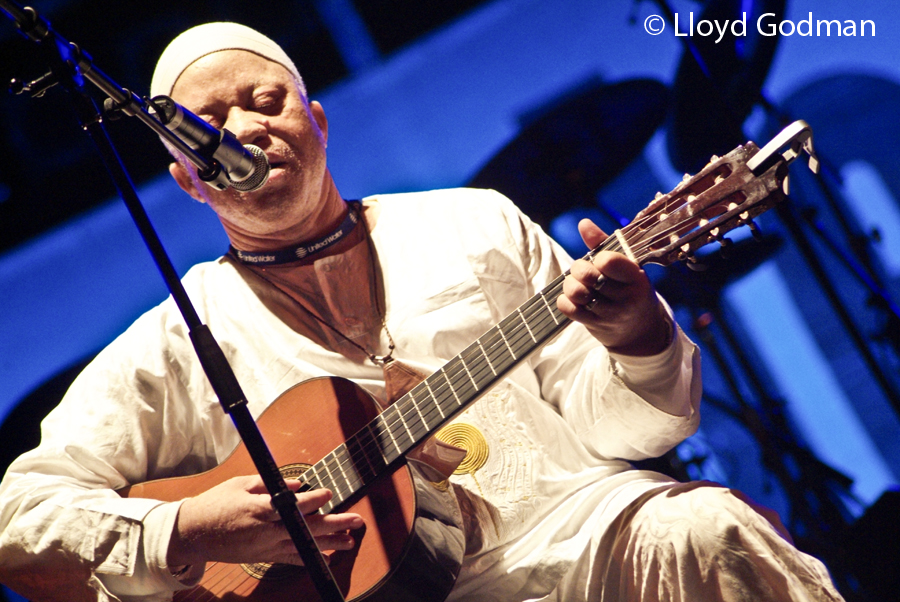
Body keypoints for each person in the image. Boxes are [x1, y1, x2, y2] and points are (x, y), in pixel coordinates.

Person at [0, 22, 844, 602]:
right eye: (209, 124)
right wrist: (189, 529)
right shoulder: (183, 338)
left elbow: (628, 433)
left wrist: (636, 335)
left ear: (317, 120)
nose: (245, 130)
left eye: (266, 100)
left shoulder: (470, 223)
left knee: (709, 525)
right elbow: (20, 519)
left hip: (577, 540)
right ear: (186, 177)